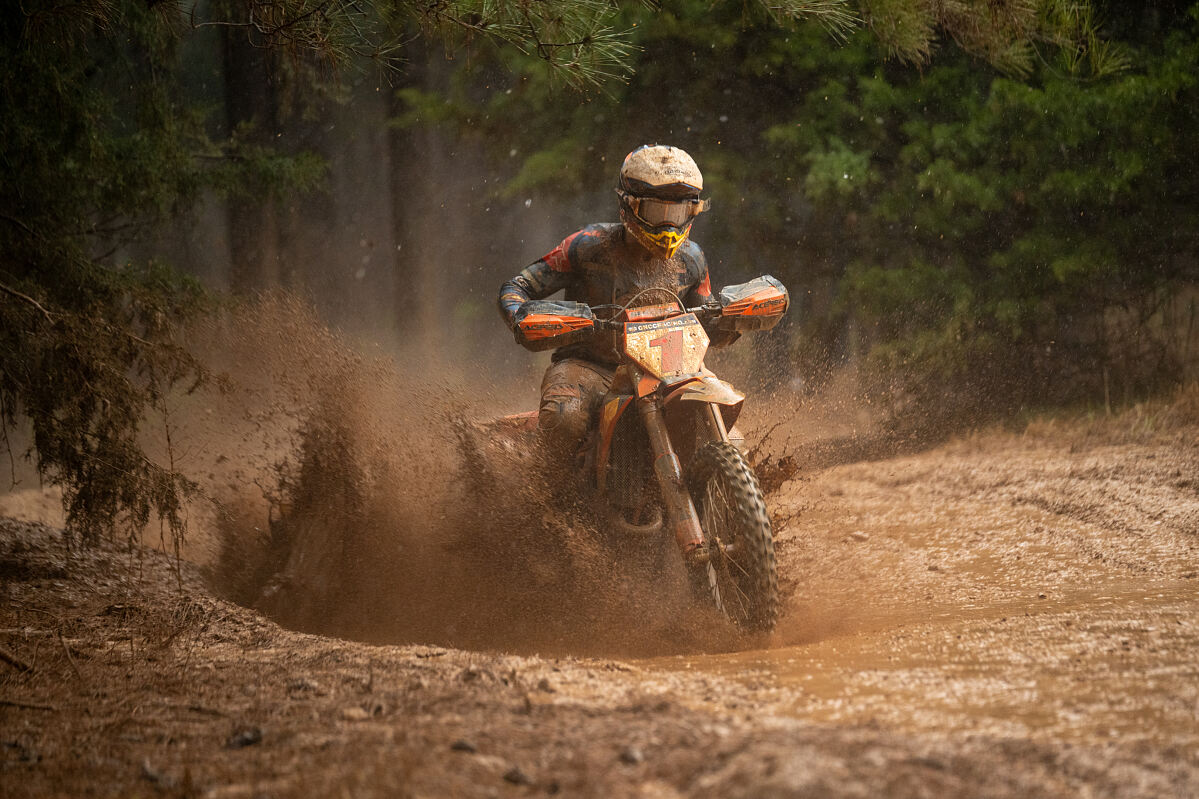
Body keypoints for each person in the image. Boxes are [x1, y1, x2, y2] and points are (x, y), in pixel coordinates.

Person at [498, 144, 732, 465]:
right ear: (629, 205)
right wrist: (526, 319)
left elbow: (708, 321)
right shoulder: (588, 246)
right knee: (564, 419)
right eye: (655, 212)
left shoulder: (692, 258)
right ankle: (546, 497)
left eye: (675, 214)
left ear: (691, 211)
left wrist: (732, 316)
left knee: (721, 414)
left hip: (671, 366)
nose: (667, 227)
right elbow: (517, 288)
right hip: (590, 366)